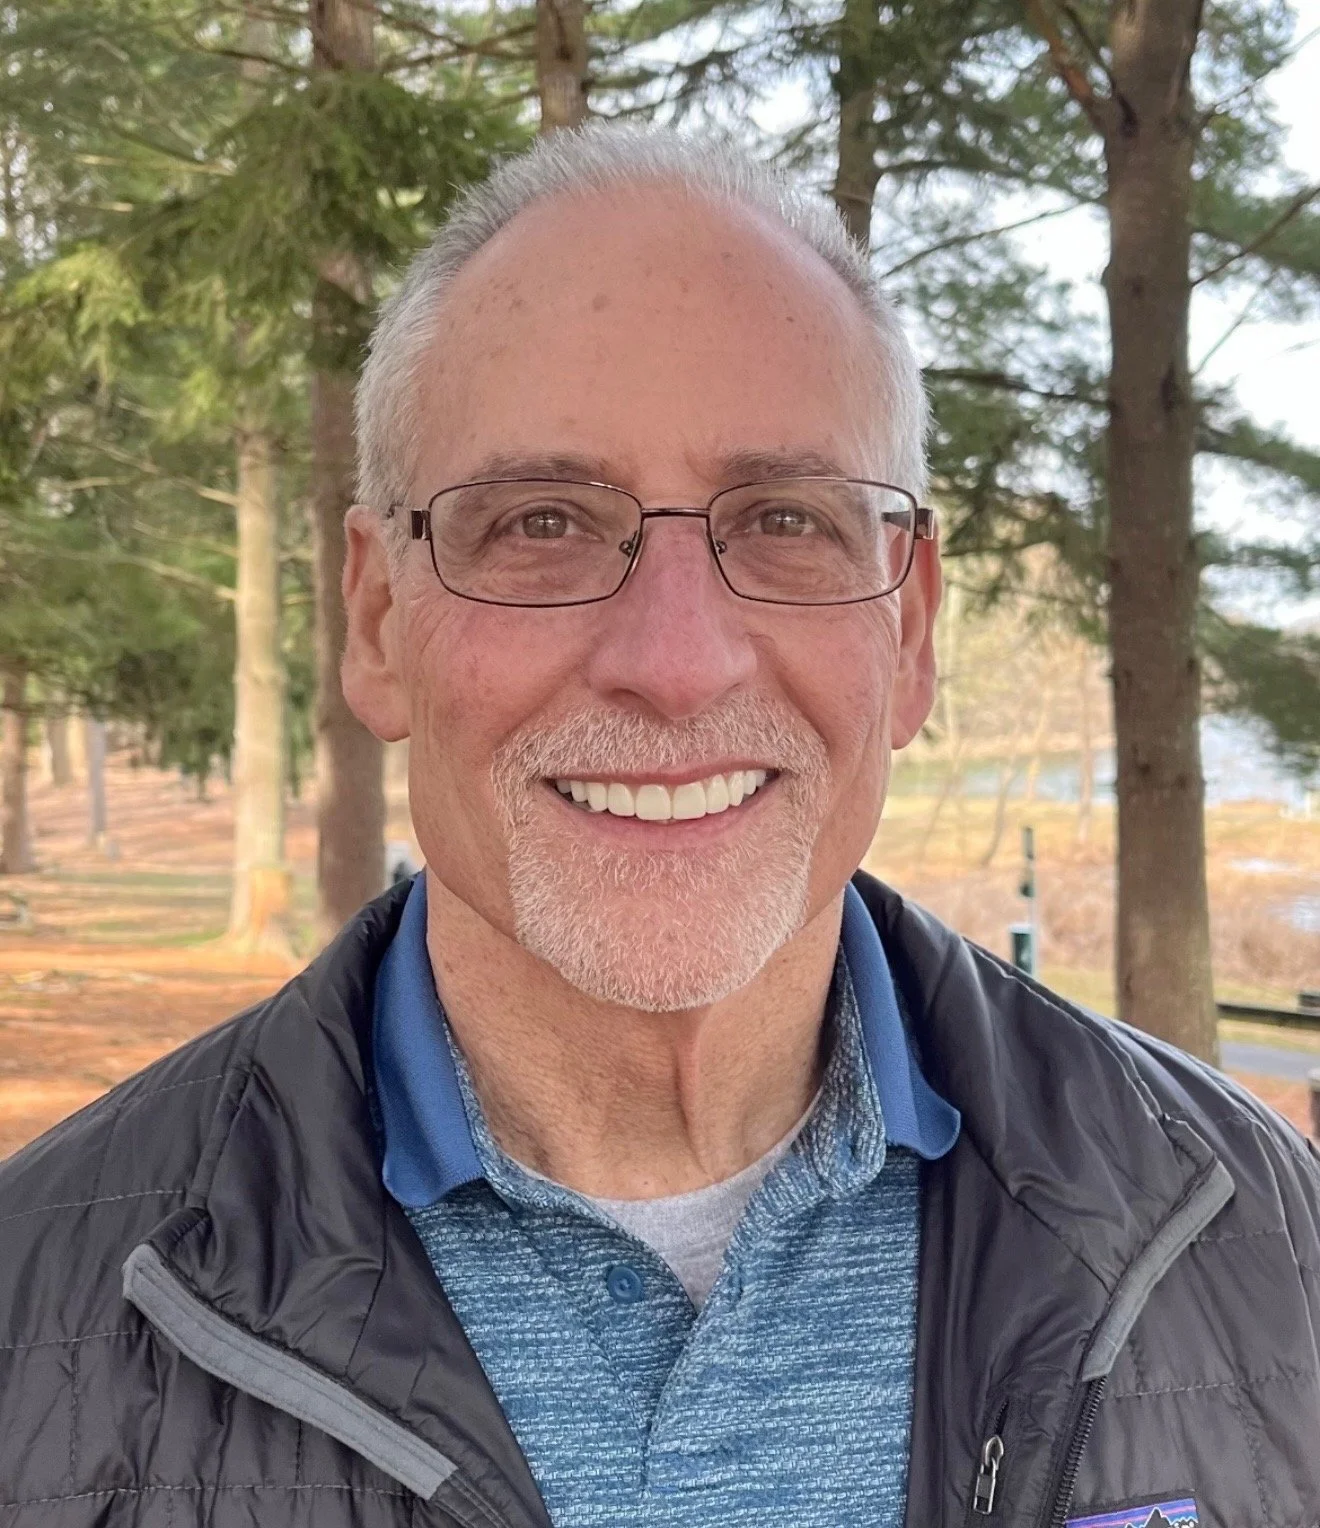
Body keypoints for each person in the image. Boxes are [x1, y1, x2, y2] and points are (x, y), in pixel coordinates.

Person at [0, 124, 1317, 1528]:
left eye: (787, 522)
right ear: (377, 620)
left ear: (912, 629)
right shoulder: (35, 1321)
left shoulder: (1267, 1242)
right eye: (543, 523)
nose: (678, 663)